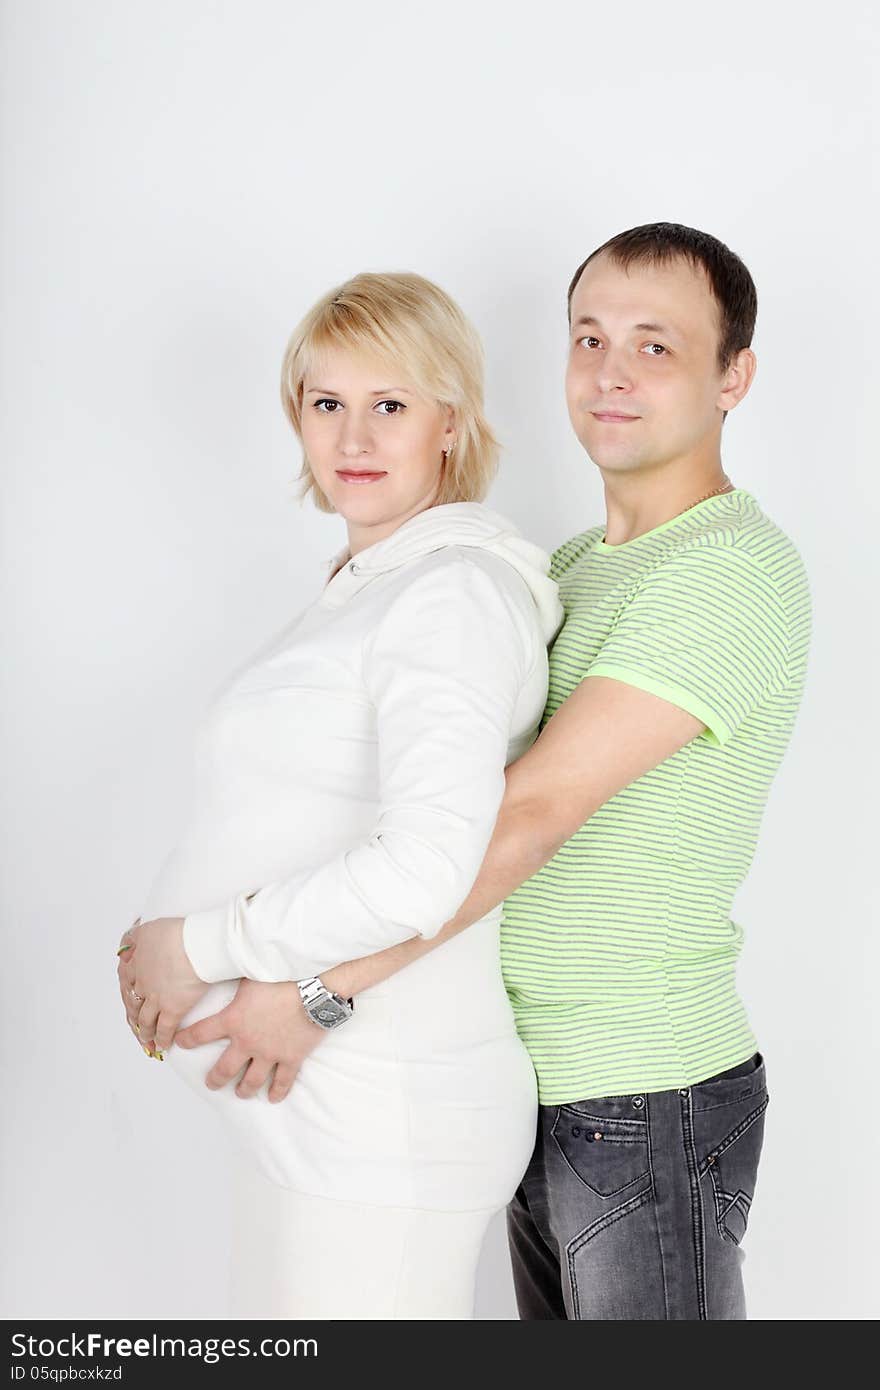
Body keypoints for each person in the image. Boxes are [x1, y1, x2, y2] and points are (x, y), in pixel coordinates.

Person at [132, 222, 812, 1320]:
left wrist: (314, 991)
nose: (608, 372)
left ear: (733, 374)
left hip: (644, 1085)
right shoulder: (580, 570)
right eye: (588, 337)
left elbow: (527, 817)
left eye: (654, 345)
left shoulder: (725, 570)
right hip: (553, 1083)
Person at [115, 270, 563, 1320]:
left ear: (449, 422)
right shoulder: (373, 584)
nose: (353, 436)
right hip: (319, 1123)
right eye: (328, 403)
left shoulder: (451, 591)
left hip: (383, 1130)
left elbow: (422, 869)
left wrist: (197, 946)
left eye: (390, 405)